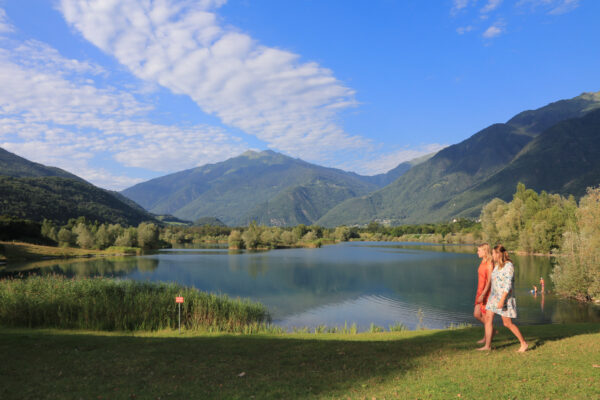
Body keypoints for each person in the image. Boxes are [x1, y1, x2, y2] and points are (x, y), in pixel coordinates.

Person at [478, 245, 528, 352]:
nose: (492, 255)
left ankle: (523, 343)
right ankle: (487, 346)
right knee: (488, 318)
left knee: (507, 323)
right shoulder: (497, 266)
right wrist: (484, 295)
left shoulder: (508, 266)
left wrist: (502, 300)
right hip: (493, 296)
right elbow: (492, 281)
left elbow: (507, 285)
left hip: (504, 298)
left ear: (499, 254)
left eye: (493, 253)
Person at [474, 243, 493, 344]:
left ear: (485, 251)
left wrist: (483, 294)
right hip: (479, 291)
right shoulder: (482, 261)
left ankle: (487, 337)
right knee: (477, 314)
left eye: (479, 250)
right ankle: (491, 331)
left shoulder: (490, 263)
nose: (477, 252)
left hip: (486, 293)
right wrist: (479, 293)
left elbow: (489, 281)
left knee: (486, 317)